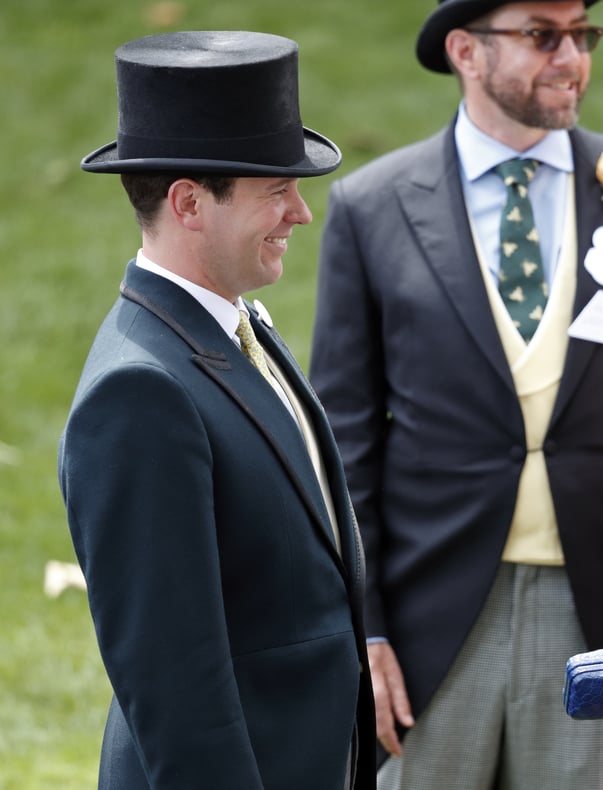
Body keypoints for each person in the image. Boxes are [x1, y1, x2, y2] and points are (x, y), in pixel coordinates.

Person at [307, 1, 603, 787]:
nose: (571, 57)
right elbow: (345, 441)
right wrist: (362, 630)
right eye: (542, 36)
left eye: (582, 35)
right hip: (433, 609)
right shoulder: (372, 208)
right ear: (466, 51)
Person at [58, 31, 375, 790]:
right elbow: (176, 690)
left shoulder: (231, 326)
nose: (301, 213)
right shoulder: (140, 394)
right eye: (275, 190)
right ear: (189, 203)